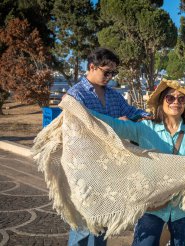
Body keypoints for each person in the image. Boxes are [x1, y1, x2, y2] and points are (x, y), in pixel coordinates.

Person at [88, 79, 185, 246]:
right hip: (152, 205)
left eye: (181, 99)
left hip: (183, 207)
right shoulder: (146, 128)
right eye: (170, 98)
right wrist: (83, 113)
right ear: (162, 101)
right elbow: (115, 126)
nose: (176, 102)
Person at [66, 47, 149, 246]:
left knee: (102, 224)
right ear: (92, 67)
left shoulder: (113, 95)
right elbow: (78, 130)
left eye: (113, 73)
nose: (110, 77)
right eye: (107, 72)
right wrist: (114, 123)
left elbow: (130, 111)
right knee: (83, 227)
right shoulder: (75, 95)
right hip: (84, 170)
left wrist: (148, 115)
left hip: (109, 170)